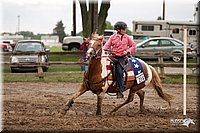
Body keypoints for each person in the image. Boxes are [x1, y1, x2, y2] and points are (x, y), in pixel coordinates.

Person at [103, 21, 137, 98]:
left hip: (122, 57)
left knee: (119, 71)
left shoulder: (127, 37)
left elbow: (134, 46)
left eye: (124, 29)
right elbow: (106, 46)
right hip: (113, 56)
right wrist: (104, 49)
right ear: (118, 30)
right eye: (123, 29)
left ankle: (120, 89)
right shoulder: (112, 37)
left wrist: (127, 51)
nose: (125, 30)